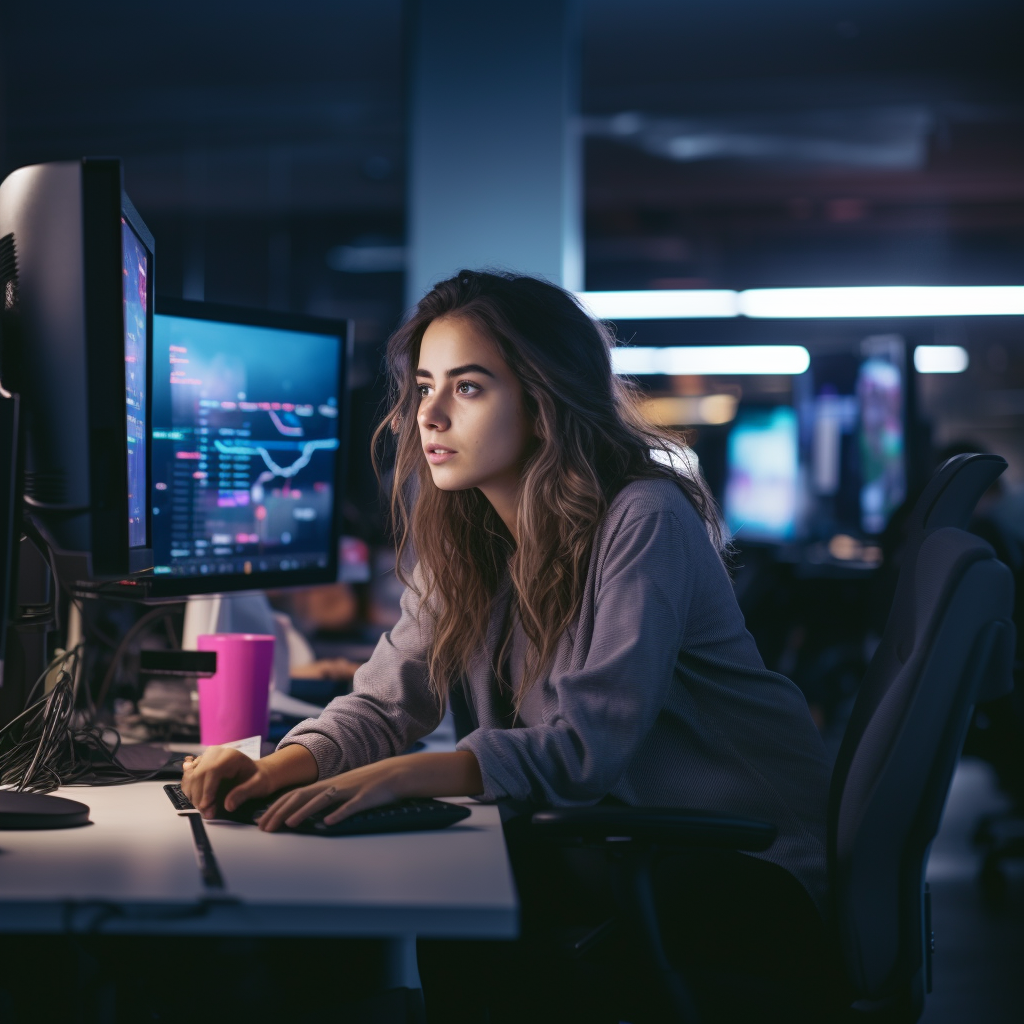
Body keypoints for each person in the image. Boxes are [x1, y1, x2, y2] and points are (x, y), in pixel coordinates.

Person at [181, 271, 838, 1022]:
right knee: (401, 860)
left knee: (463, 869)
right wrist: (277, 767)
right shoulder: (470, 536)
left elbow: (587, 749)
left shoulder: (644, 517)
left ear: (543, 397)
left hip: (751, 872)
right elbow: (383, 703)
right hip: (629, 845)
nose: (426, 413)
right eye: (423, 385)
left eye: (466, 388)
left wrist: (403, 778)